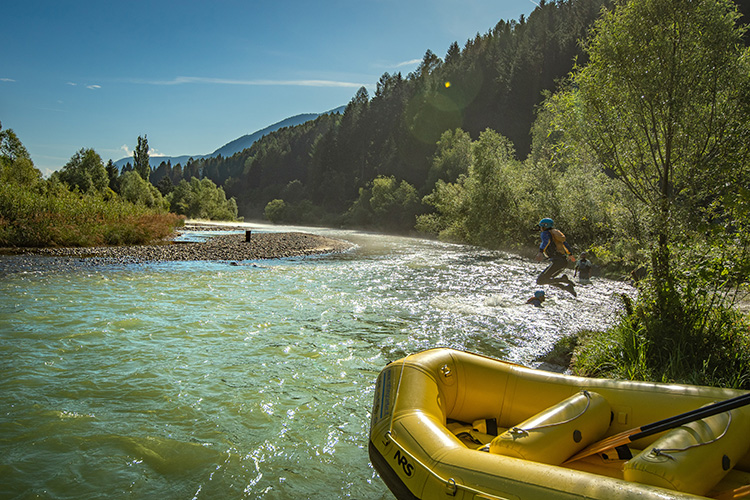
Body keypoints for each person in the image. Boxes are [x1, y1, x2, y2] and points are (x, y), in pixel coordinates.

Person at [535, 218, 577, 296]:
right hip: (562, 262)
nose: (540, 228)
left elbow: (545, 242)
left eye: (541, 226)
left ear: (544, 226)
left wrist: (540, 252)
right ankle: (567, 287)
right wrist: (570, 254)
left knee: (540, 280)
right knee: (548, 280)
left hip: (557, 262)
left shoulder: (545, 233)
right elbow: (565, 244)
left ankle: (563, 280)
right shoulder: (555, 234)